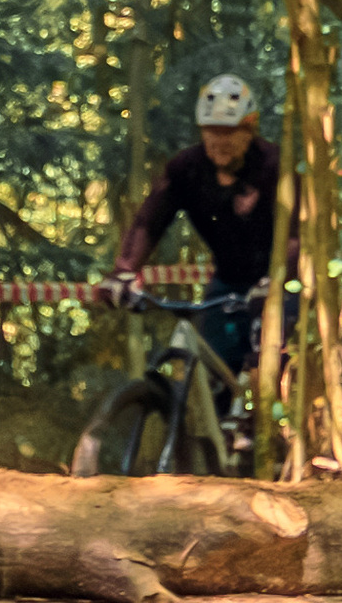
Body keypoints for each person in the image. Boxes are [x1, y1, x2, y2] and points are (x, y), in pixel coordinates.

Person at [111, 74, 295, 377]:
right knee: (217, 372)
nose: (219, 140)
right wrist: (125, 270)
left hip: (280, 282)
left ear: (249, 131)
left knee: (274, 370)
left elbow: (297, 237)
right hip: (228, 282)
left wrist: (278, 279)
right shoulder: (187, 169)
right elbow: (150, 221)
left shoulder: (273, 166)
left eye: (229, 131)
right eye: (211, 131)